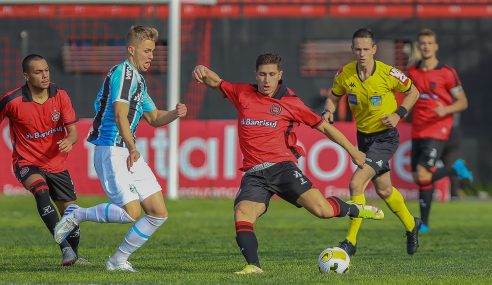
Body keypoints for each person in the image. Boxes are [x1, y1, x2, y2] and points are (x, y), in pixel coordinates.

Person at [192, 53, 385, 275]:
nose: (266, 80)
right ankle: (254, 266)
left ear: (280, 75)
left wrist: (352, 150)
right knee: (242, 213)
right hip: (254, 174)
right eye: (262, 74)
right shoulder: (243, 93)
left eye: (272, 75)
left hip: (282, 168)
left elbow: (323, 127)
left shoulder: (291, 102)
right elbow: (216, 82)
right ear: (256, 75)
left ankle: (355, 209)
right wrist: (202, 70)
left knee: (322, 211)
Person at [54, 25, 187, 272]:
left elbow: (155, 117)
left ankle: (117, 261)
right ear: (131, 50)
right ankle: (76, 214)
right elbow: (119, 115)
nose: (151, 56)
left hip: (127, 151)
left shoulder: (139, 81)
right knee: (130, 212)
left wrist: (174, 114)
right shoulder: (123, 75)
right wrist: (132, 146)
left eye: (153, 51)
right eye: (146, 51)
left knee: (158, 213)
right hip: (112, 149)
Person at [322, 28, 421, 256]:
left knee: (356, 183)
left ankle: (351, 241)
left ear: (374, 49)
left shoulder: (389, 73)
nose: (362, 53)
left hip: (385, 137)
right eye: (358, 49)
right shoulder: (345, 74)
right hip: (364, 138)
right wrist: (328, 110)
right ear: (352, 50)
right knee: (385, 190)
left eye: (366, 49)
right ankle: (410, 224)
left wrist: (398, 114)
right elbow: (333, 96)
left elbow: (413, 92)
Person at [0, 54, 83, 266]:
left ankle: (73, 254)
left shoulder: (60, 95)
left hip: (57, 164)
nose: (45, 75)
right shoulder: (12, 101)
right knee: (41, 192)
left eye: (46, 70)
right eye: (38, 72)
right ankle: (64, 247)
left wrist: (69, 140)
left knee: (71, 215)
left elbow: (73, 132)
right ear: (26, 76)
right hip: (27, 162)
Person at [407, 28, 472, 233]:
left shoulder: (446, 72)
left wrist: (445, 109)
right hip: (418, 128)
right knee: (420, 179)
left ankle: (424, 224)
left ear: (436, 46)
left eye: (429, 43)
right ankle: (455, 169)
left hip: (438, 128)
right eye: (422, 43)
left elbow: (462, 102)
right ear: (419, 46)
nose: (426, 46)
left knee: (423, 172)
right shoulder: (412, 72)